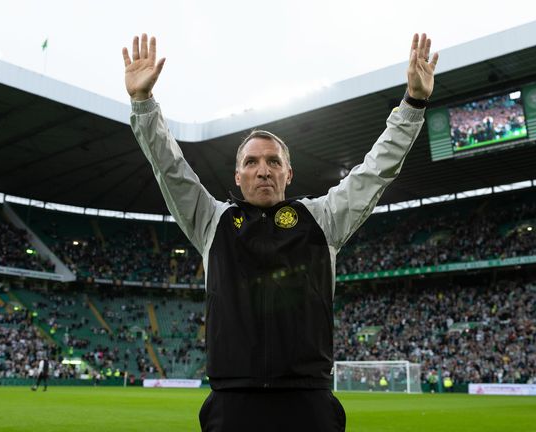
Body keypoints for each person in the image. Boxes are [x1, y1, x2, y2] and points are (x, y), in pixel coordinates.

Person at [123, 32, 439, 432]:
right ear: (237, 176)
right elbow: (169, 166)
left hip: (307, 402)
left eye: (273, 161)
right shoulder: (212, 221)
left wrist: (413, 103)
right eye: (252, 162)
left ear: (289, 173)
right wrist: (143, 105)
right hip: (233, 402)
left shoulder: (322, 219)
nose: (263, 169)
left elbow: (377, 171)